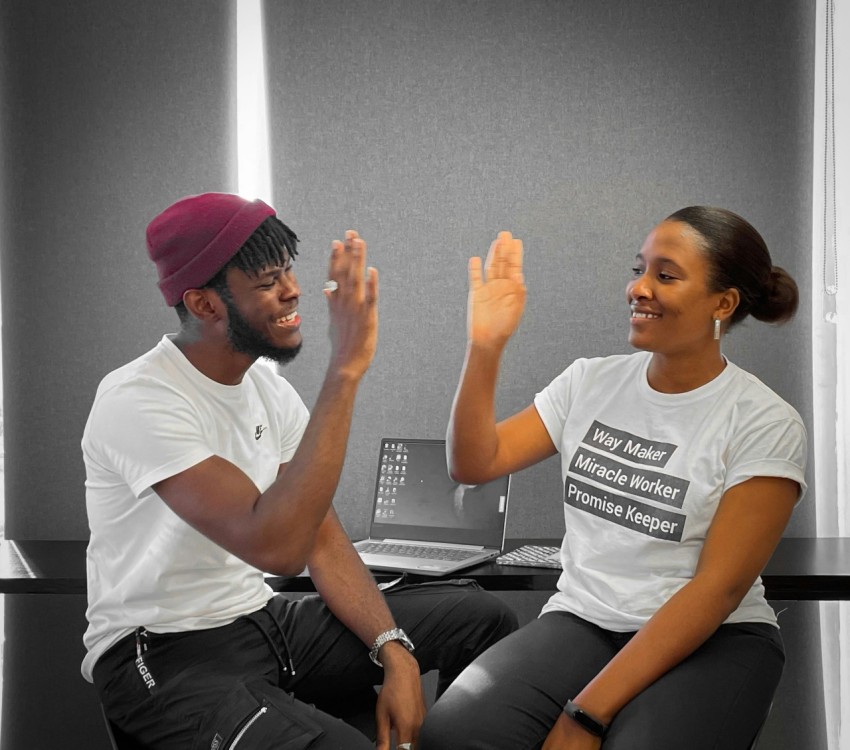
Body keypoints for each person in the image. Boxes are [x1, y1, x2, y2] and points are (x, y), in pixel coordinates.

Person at [81, 192, 517, 750]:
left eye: (287, 270)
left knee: (482, 619)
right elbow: (278, 547)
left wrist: (394, 648)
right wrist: (345, 368)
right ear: (205, 304)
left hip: (263, 624)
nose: (293, 290)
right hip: (164, 653)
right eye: (266, 282)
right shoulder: (138, 399)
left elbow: (324, 540)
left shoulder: (269, 389)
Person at [419, 206, 806, 750]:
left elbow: (717, 591)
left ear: (724, 303)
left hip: (715, 636)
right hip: (585, 619)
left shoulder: (763, 421)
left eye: (665, 276)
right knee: (453, 735)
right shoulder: (589, 381)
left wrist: (585, 714)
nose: (638, 289)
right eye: (638, 269)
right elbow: (473, 464)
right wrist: (485, 346)